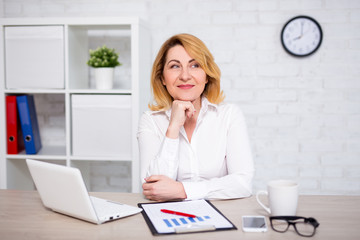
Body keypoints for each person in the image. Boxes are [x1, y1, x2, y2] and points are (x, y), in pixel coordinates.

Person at [137, 33, 254, 202]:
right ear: (162, 77)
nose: (185, 75)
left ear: (207, 75)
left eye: (195, 65)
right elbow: (153, 189)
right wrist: (173, 128)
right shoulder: (150, 120)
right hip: (168, 215)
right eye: (175, 66)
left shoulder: (229, 115)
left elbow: (242, 183)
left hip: (222, 213)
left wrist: (182, 190)